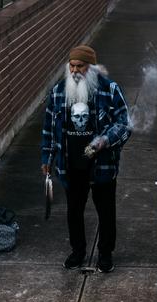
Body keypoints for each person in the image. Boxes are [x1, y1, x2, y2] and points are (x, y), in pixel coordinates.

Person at [41, 45, 131, 271]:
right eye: (71, 65)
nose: (75, 70)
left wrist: (104, 140)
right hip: (71, 163)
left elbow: (124, 124)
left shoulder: (109, 90)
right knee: (74, 212)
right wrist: (47, 157)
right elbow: (49, 128)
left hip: (102, 165)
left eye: (80, 66)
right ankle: (78, 251)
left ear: (91, 67)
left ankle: (105, 254)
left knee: (106, 211)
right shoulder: (59, 91)